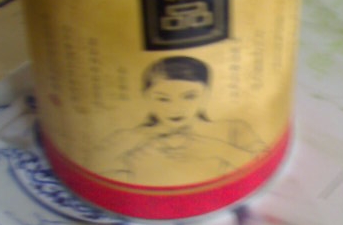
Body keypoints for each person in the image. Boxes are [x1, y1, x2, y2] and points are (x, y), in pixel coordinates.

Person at [96, 56, 266, 185]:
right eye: (163, 99)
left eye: (189, 97)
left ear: (206, 95)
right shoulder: (126, 139)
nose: (176, 108)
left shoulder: (233, 129)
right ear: (147, 98)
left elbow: (262, 164)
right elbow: (98, 169)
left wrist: (220, 150)